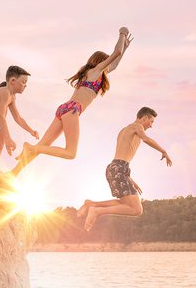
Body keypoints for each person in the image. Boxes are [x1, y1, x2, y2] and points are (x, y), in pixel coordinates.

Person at [10, 26, 133, 177]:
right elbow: (116, 53)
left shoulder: (90, 73)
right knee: (70, 153)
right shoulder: (96, 71)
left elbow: (115, 63)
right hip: (73, 110)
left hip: (64, 108)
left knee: (43, 146)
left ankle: (13, 173)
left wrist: (125, 46)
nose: (109, 64)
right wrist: (122, 33)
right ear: (101, 61)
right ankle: (31, 148)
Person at [77, 107, 172, 231]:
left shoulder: (124, 130)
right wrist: (163, 151)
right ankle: (96, 211)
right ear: (145, 118)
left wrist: (129, 179)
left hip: (115, 168)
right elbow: (145, 139)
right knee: (137, 210)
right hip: (119, 168)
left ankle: (91, 204)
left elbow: (121, 158)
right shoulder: (137, 126)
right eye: (152, 121)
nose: (152, 125)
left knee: (125, 204)